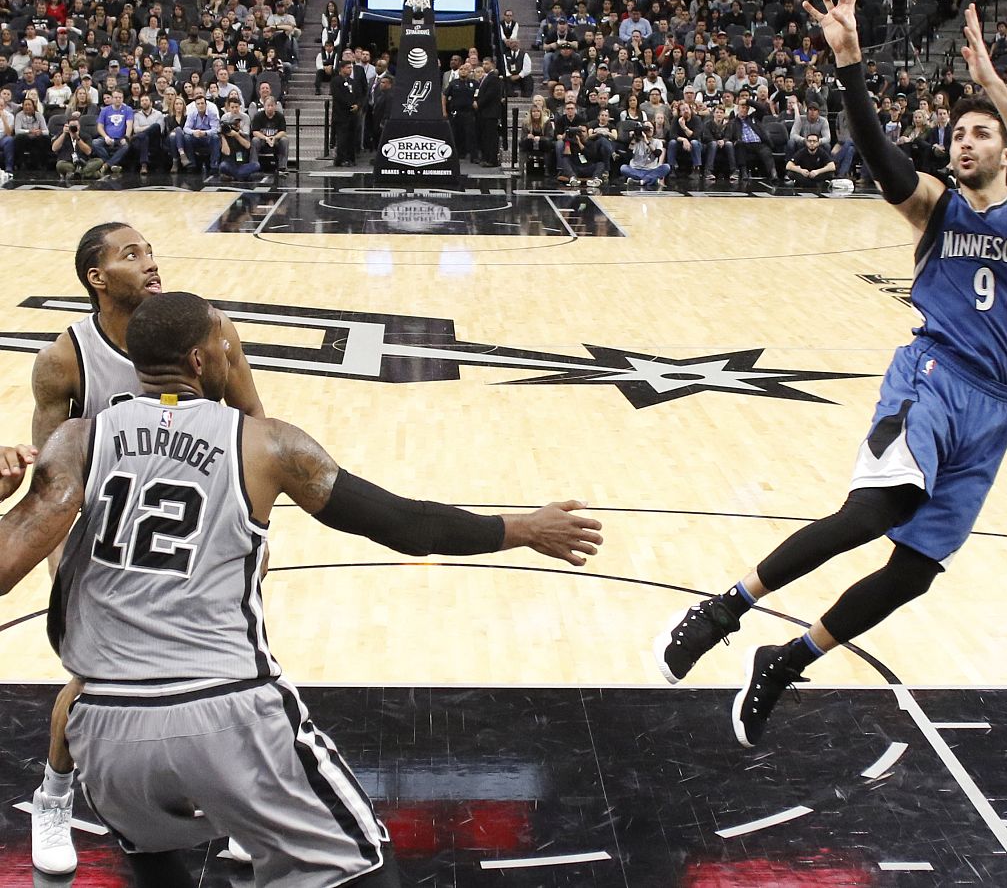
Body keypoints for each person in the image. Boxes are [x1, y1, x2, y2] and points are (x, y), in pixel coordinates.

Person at [0, 292, 604, 887]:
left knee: (152, 859)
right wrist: (521, 528)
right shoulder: (268, 446)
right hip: (228, 710)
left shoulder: (78, 441)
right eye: (224, 340)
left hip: (104, 727)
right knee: (361, 867)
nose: (232, 350)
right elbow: (402, 524)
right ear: (201, 361)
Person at [654, 0, 1007, 746]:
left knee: (913, 570)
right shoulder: (938, 209)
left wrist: (997, 90)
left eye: (981, 134)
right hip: (931, 379)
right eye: (959, 134)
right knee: (869, 514)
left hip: (997, 408)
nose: (966, 143)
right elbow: (885, 166)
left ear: (1006, 148)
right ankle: (725, 607)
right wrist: (848, 60)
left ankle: (784, 659)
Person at [26, 224, 264, 875]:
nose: (151, 261)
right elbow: (53, 481)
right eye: (131, 254)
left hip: (204, 530)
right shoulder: (66, 357)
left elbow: (256, 429)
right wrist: (62, 576)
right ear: (96, 278)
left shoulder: (205, 329)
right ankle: (52, 794)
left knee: (229, 676)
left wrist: (252, 540)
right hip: (112, 536)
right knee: (94, 679)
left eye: (151, 250)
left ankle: (240, 809)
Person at [331, 58, 362, 166]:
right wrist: (349, 105)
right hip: (341, 114)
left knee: (352, 137)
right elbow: (338, 96)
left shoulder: (353, 82)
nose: (350, 70)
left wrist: (357, 105)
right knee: (342, 138)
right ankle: (341, 159)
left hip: (352, 115)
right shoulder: (336, 81)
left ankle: (351, 158)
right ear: (342, 69)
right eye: (348, 68)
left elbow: (359, 95)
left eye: (351, 68)